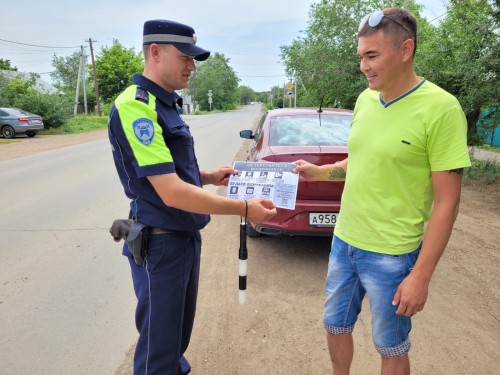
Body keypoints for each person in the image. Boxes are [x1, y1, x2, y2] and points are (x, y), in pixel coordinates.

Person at [293, 8, 470, 375]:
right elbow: (360, 160)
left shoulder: (441, 109)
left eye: (372, 56)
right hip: (345, 241)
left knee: (391, 346)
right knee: (335, 325)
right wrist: (321, 172)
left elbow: (447, 201)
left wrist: (420, 275)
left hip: (392, 254)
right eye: (361, 56)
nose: (363, 66)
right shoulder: (365, 100)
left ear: (406, 50)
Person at [107, 19, 276, 375]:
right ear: (155, 52)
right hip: (161, 243)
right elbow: (169, 192)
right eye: (185, 57)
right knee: (159, 352)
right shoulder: (137, 107)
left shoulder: (164, 103)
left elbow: (165, 171)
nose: (192, 66)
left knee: (174, 342)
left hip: (181, 240)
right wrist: (244, 208)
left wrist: (208, 176)